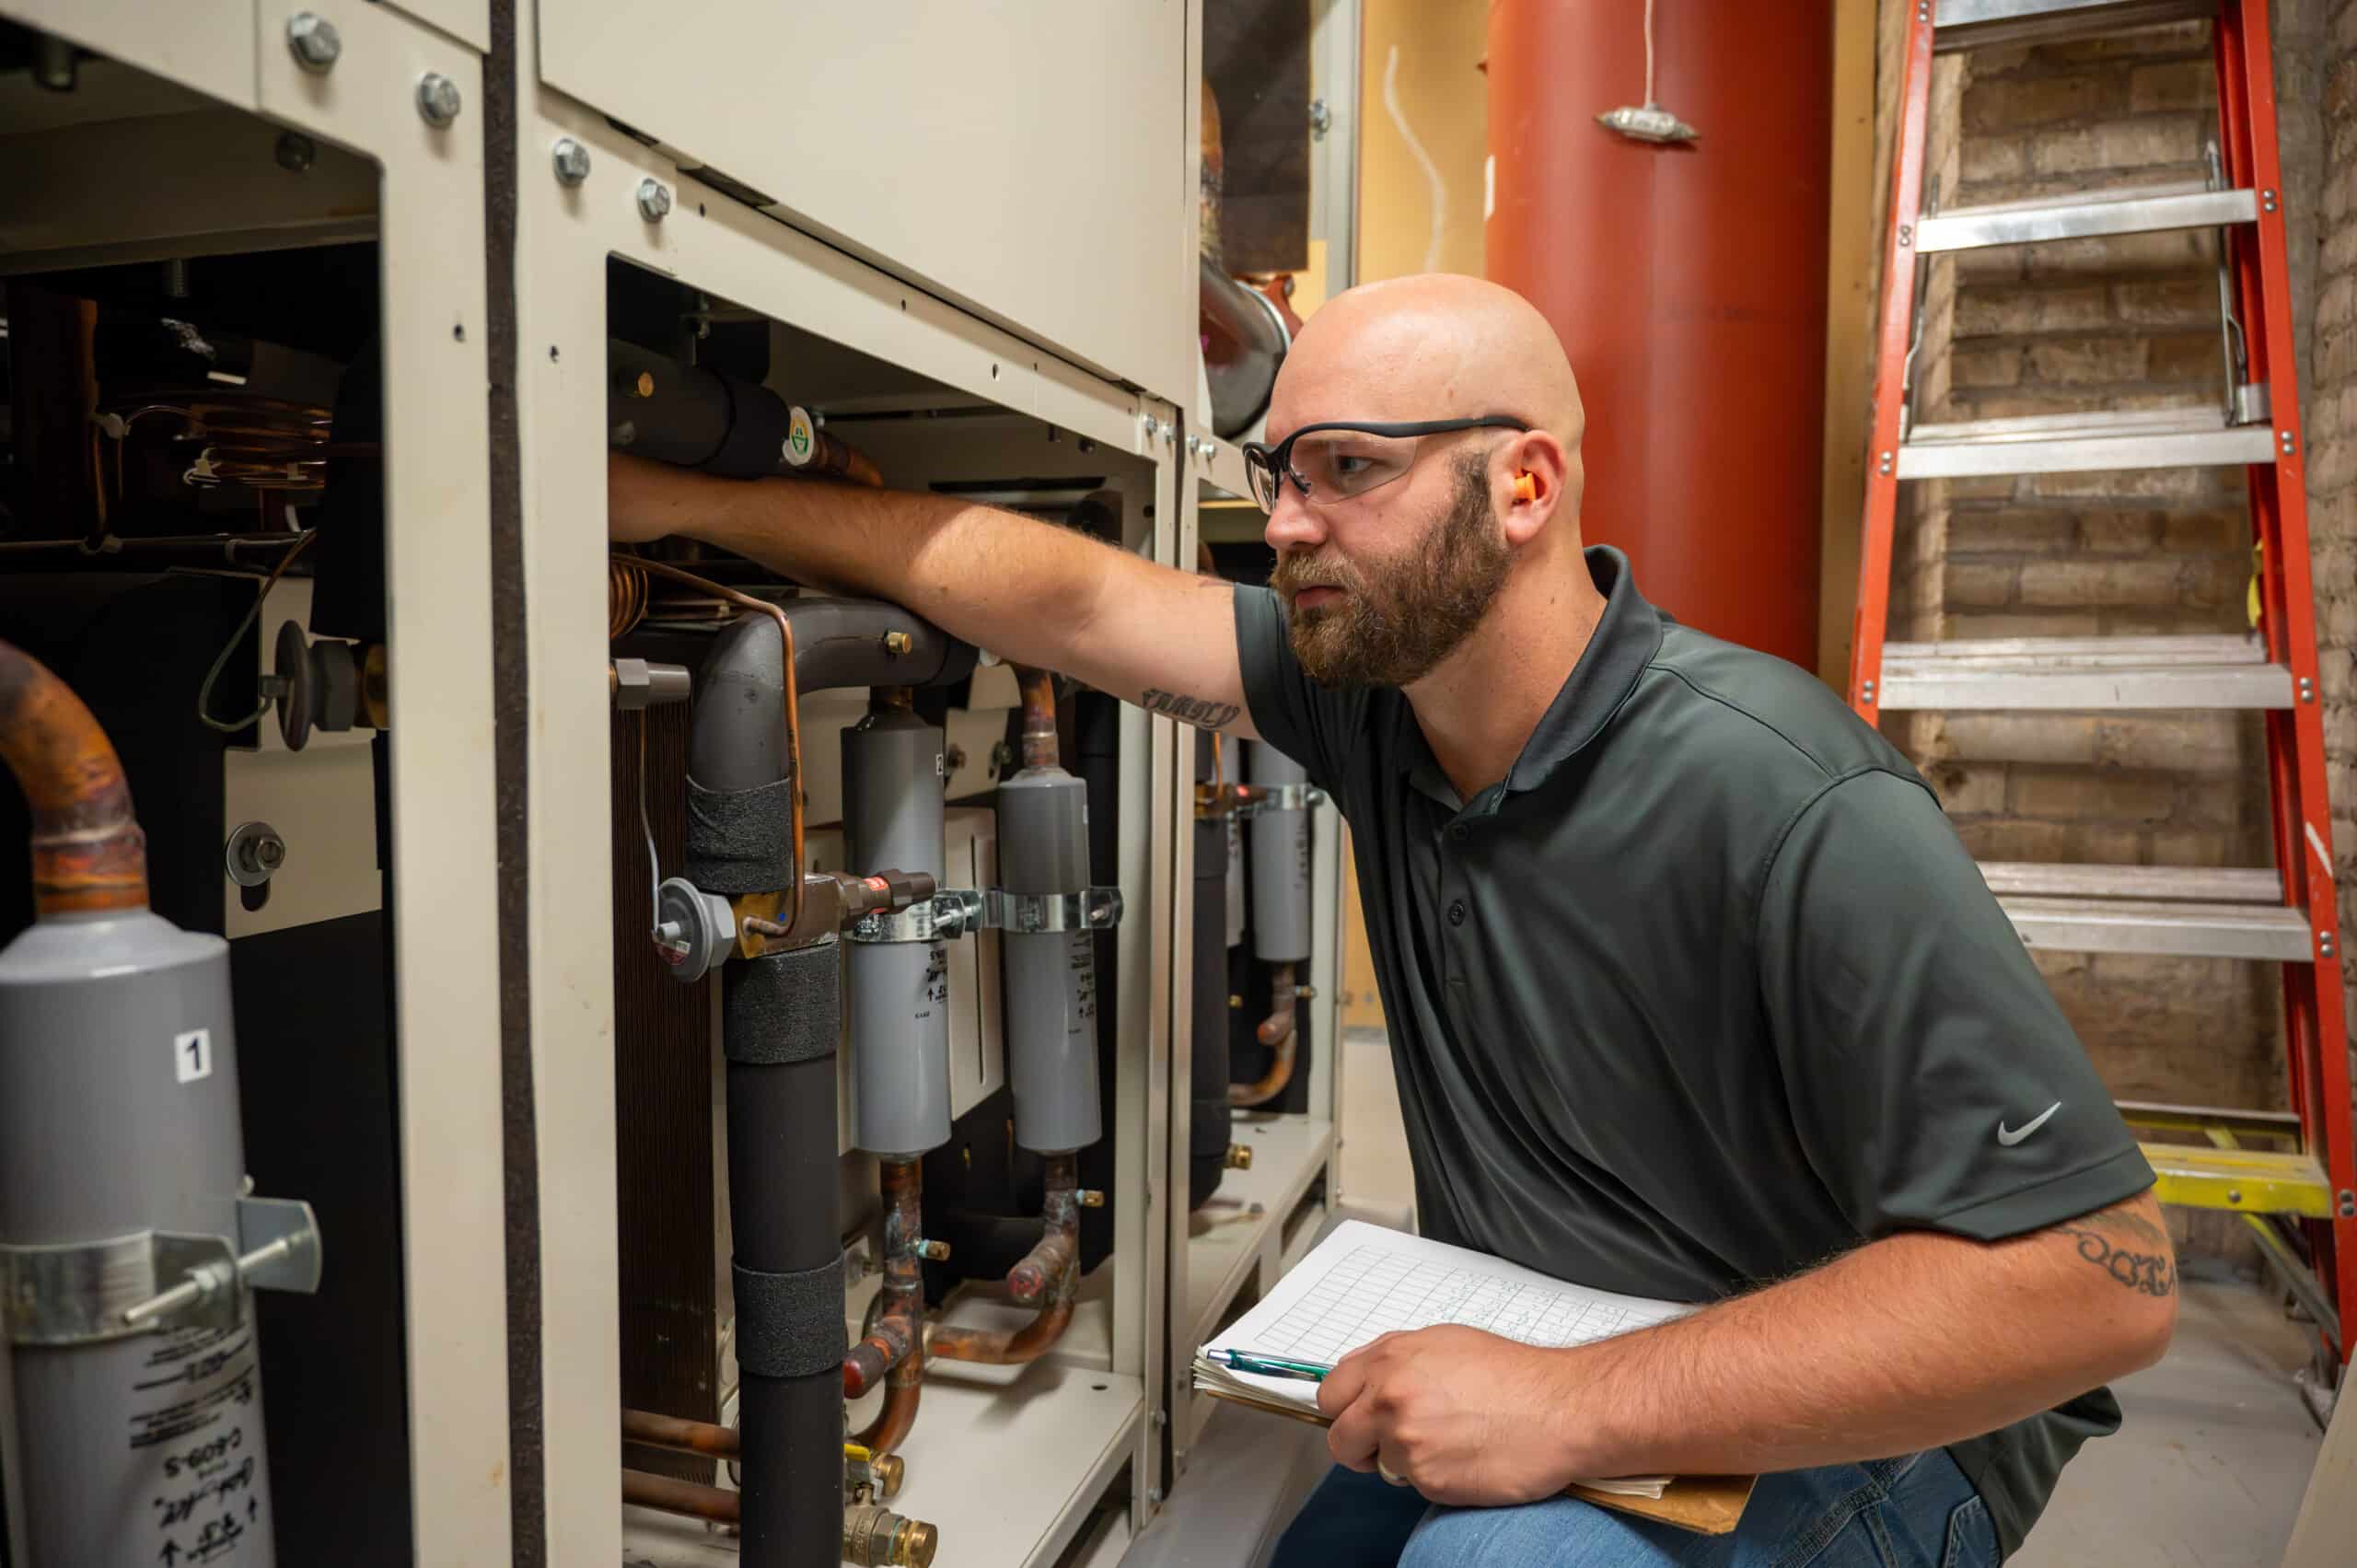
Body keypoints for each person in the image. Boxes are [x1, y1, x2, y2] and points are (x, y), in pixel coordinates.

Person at [609, 273, 2177, 1567]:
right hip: (1590, 1336)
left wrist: (1575, 1409)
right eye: (1277, 473)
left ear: (1524, 486)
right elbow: (1070, 605)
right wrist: (679, 498)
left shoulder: (1784, 803)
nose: (1286, 523)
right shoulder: (1383, 702)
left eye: (1346, 469)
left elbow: (2100, 1281)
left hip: (1886, 1441)